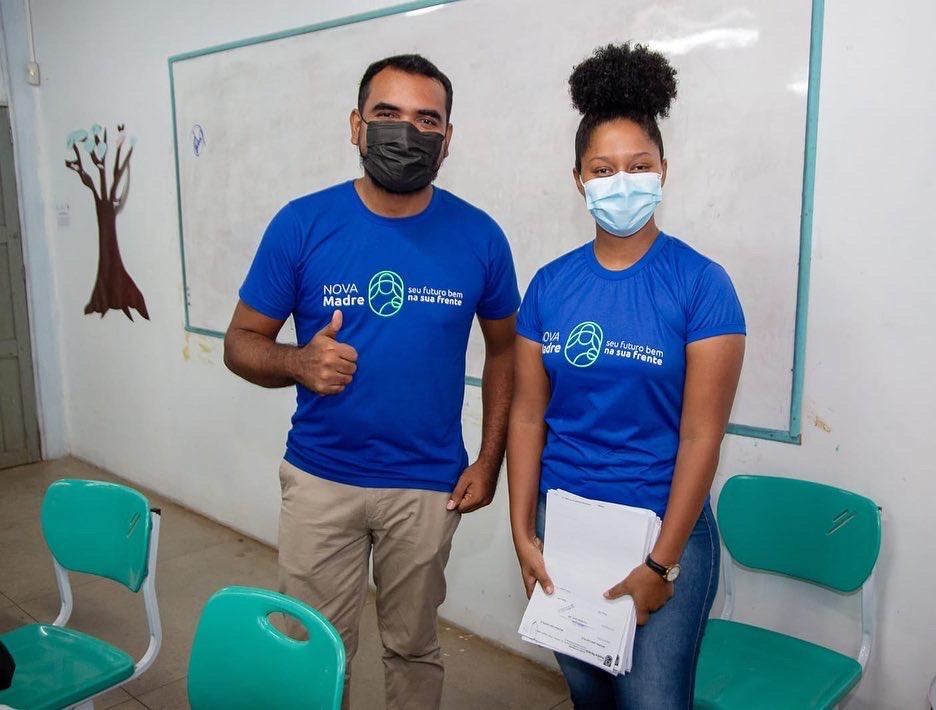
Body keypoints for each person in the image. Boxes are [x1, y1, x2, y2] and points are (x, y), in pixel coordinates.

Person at [223, 54, 519, 710]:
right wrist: (297, 362)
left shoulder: (480, 237)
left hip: (426, 486)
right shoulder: (302, 224)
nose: (405, 133)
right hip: (321, 478)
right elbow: (240, 345)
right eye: (387, 114)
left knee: (413, 648)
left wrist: (490, 459)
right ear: (356, 125)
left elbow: (506, 353)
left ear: (447, 139)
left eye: (426, 119)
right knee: (308, 644)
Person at [507, 43, 746, 709]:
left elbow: (701, 437)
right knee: (589, 695)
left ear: (663, 170)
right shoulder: (550, 286)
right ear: (578, 179)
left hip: (659, 528)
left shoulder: (701, 285)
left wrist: (660, 564)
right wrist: (523, 532)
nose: (621, 181)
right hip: (567, 530)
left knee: (651, 702)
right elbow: (528, 417)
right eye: (603, 169)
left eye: (637, 166)